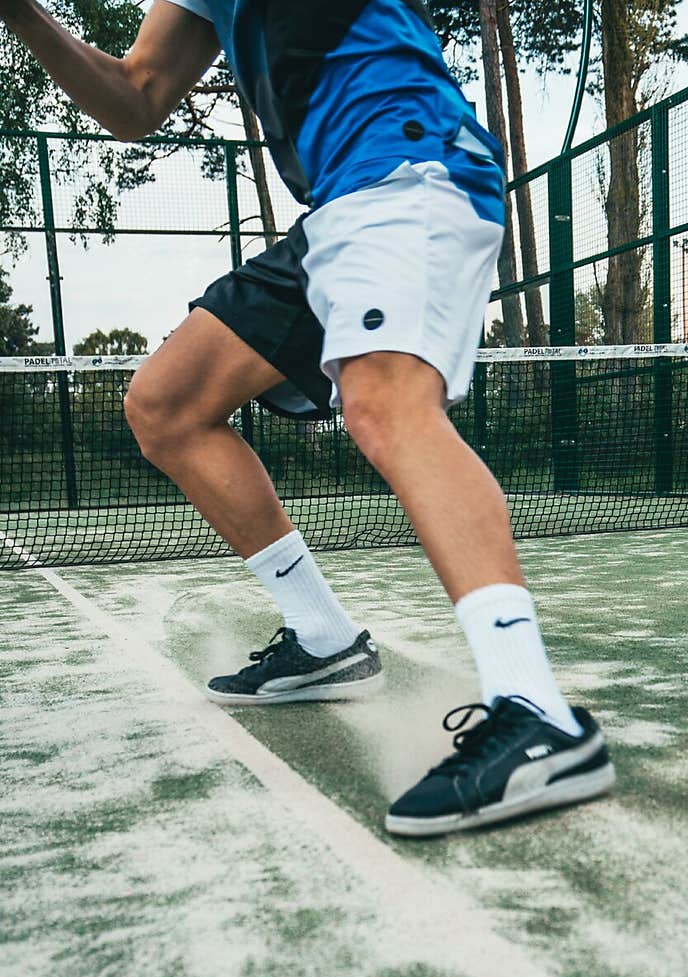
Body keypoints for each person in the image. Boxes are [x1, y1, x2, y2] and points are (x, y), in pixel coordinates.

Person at [3, 0, 615, 836]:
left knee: (387, 405)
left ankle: (534, 709)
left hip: (410, 164)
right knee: (166, 405)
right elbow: (136, 97)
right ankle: (325, 639)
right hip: (336, 207)